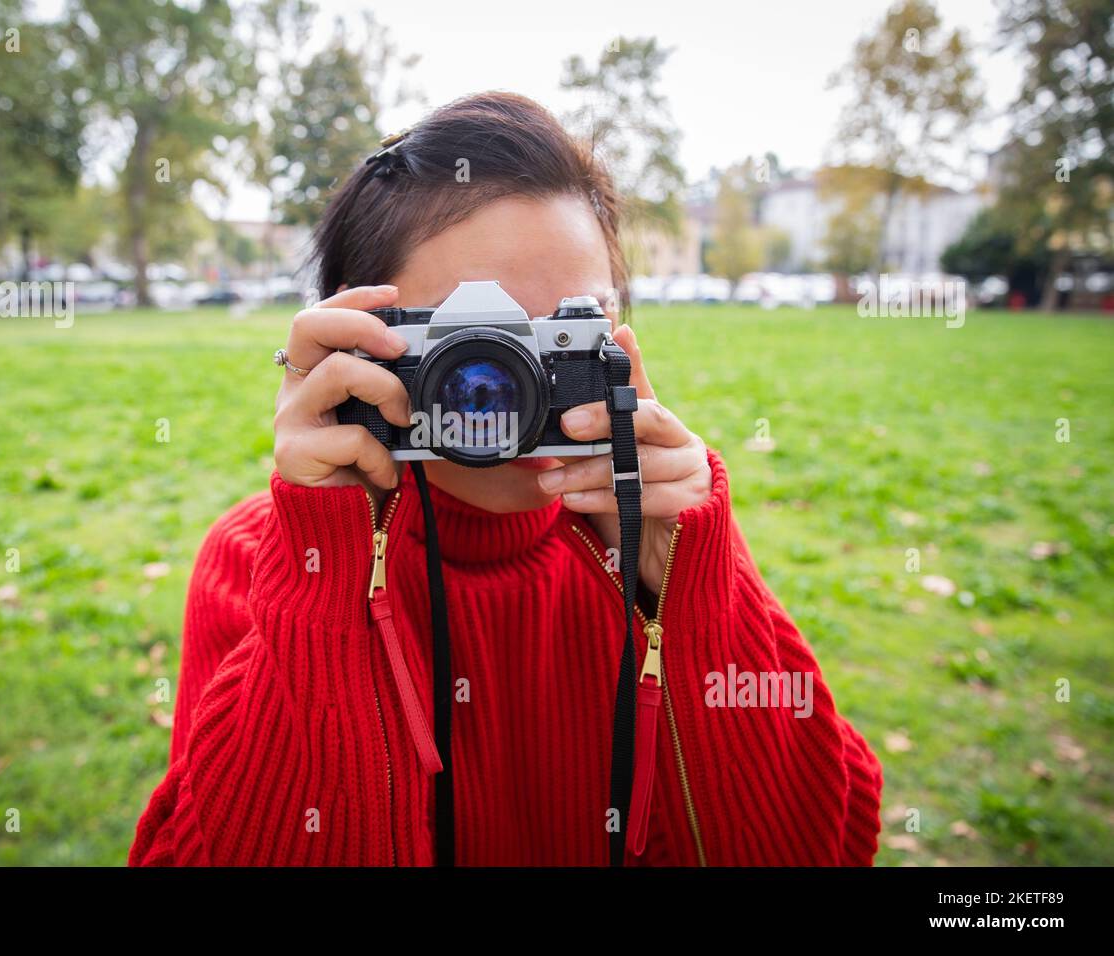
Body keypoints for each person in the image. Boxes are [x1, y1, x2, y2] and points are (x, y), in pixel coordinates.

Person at [129, 91, 883, 866]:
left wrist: (694, 601)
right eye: (467, 344)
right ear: (355, 346)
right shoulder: (258, 560)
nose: (508, 386)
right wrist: (327, 567)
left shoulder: (659, 536)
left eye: (564, 332)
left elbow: (818, 849)